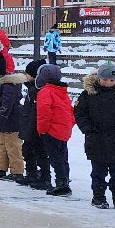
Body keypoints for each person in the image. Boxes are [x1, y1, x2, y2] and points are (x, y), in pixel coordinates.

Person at [74, 61, 115, 210]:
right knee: (98, 172)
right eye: (105, 80)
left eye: (112, 80)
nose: (108, 83)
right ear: (99, 78)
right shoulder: (88, 94)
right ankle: (98, 196)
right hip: (97, 139)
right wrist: (87, 129)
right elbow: (80, 113)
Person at [35, 63, 74, 196]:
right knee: (63, 157)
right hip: (63, 129)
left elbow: (44, 112)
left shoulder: (45, 92)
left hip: (52, 130)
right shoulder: (62, 91)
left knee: (55, 157)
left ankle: (61, 183)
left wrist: (42, 129)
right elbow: (70, 111)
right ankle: (65, 180)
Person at [0, 62, 29, 181]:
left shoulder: (8, 85)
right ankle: (0, 168)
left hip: (13, 120)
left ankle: (17, 171)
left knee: (13, 146)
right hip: (6, 121)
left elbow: (7, 105)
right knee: (3, 145)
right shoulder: (1, 84)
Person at [17, 59, 49, 189]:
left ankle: (44, 176)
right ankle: (31, 174)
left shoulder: (38, 90)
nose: (26, 76)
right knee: (27, 150)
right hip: (28, 125)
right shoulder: (31, 89)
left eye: (28, 74)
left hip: (35, 126)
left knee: (39, 152)